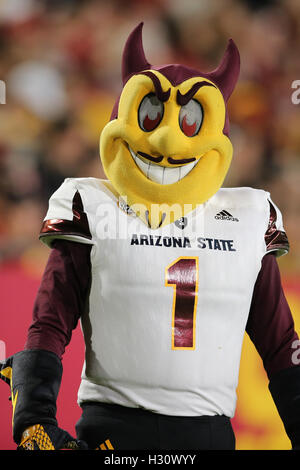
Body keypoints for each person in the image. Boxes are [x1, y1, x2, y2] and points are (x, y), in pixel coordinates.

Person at [1, 23, 300, 451]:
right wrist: (33, 415)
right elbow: (51, 320)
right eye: (150, 116)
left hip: (209, 433)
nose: (166, 138)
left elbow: (281, 343)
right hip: (114, 431)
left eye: (191, 122)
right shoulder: (95, 203)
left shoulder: (246, 215)